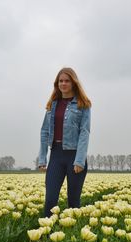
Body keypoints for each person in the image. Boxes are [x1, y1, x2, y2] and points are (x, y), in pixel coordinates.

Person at [38, 67, 91, 218]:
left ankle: (71, 238)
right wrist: (42, 158)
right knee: (50, 200)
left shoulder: (83, 104)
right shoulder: (52, 104)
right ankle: (48, 237)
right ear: (57, 84)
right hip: (56, 155)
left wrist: (80, 160)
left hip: (74, 156)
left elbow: (84, 132)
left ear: (73, 83)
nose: (63, 84)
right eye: (60, 81)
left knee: (73, 202)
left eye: (67, 81)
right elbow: (44, 131)